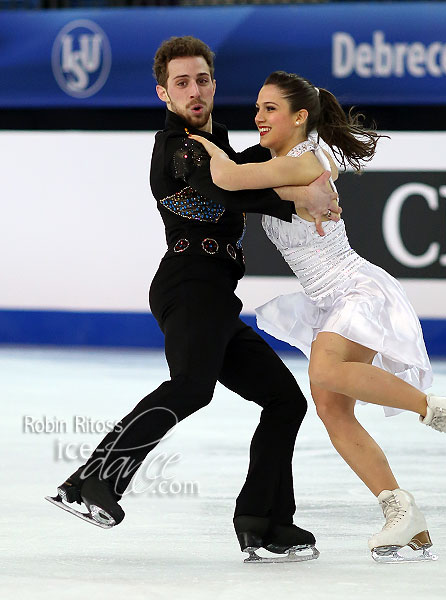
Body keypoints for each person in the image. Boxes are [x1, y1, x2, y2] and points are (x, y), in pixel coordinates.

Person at [46, 39, 340, 564]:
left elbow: (252, 165)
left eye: (202, 79)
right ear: (164, 92)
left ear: (213, 83)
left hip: (215, 294)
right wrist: (295, 196)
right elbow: (223, 189)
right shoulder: (179, 147)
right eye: (181, 83)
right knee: (191, 386)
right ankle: (95, 481)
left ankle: (263, 521)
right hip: (188, 284)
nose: (194, 90)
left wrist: (302, 148)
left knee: (284, 401)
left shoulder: (218, 139)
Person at [190, 70, 446, 563]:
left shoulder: (301, 159)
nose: (258, 117)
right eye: (257, 108)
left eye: (270, 109)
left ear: (299, 117)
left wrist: (206, 147)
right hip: (325, 301)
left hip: (354, 290)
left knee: (327, 372)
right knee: (333, 410)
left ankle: (442, 411)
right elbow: (256, 192)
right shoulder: (279, 165)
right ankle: (404, 515)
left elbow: (227, 180)